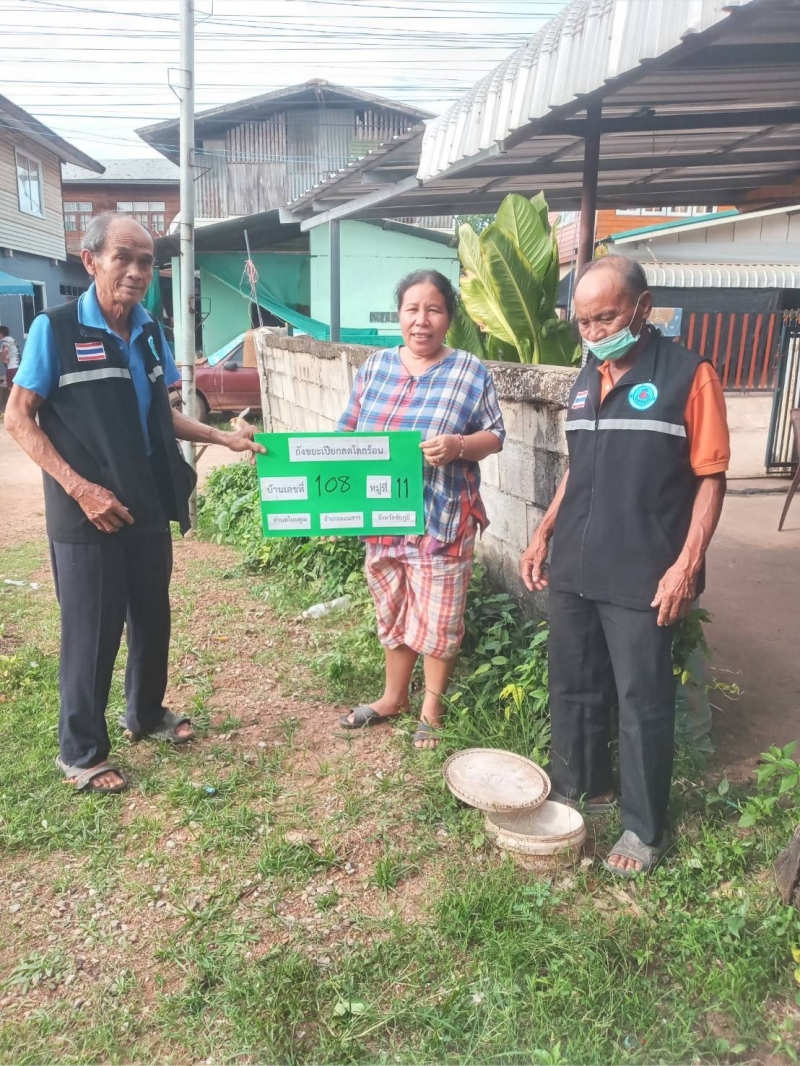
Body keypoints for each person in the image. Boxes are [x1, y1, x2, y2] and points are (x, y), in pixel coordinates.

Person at [5, 213, 265, 795]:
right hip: (85, 511)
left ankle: (145, 714)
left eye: (146, 261)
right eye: (123, 257)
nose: (136, 271)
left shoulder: (148, 330)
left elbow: (159, 412)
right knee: (92, 631)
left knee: (151, 614)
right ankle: (81, 751)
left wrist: (223, 438)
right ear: (90, 260)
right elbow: (18, 418)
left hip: (146, 499)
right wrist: (80, 489)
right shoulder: (56, 329)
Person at [520, 255, 729, 876]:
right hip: (577, 562)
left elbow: (712, 477)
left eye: (605, 318)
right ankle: (582, 790)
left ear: (643, 307)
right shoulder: (588, 376)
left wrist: (686, 564)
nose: (593, 332)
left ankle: (643, 828)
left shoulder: (689, 375)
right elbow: (578, 468)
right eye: (583, 322)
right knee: (572, 684)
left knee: (642, 698)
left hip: (645, 568)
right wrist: (543, 532)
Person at [337, 270, 505, 749]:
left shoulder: (469, 370)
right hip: (383, 517)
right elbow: (345, 433)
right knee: (392, 607)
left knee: (439, 616)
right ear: (399, 315)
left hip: (441, 517)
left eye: (433, 310)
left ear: (449, 317)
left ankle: (431, 710)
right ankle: (393, 698)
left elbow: (495, 435)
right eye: (412, 309)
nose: (422, 320)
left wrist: (458, 445)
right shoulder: (375, 367)